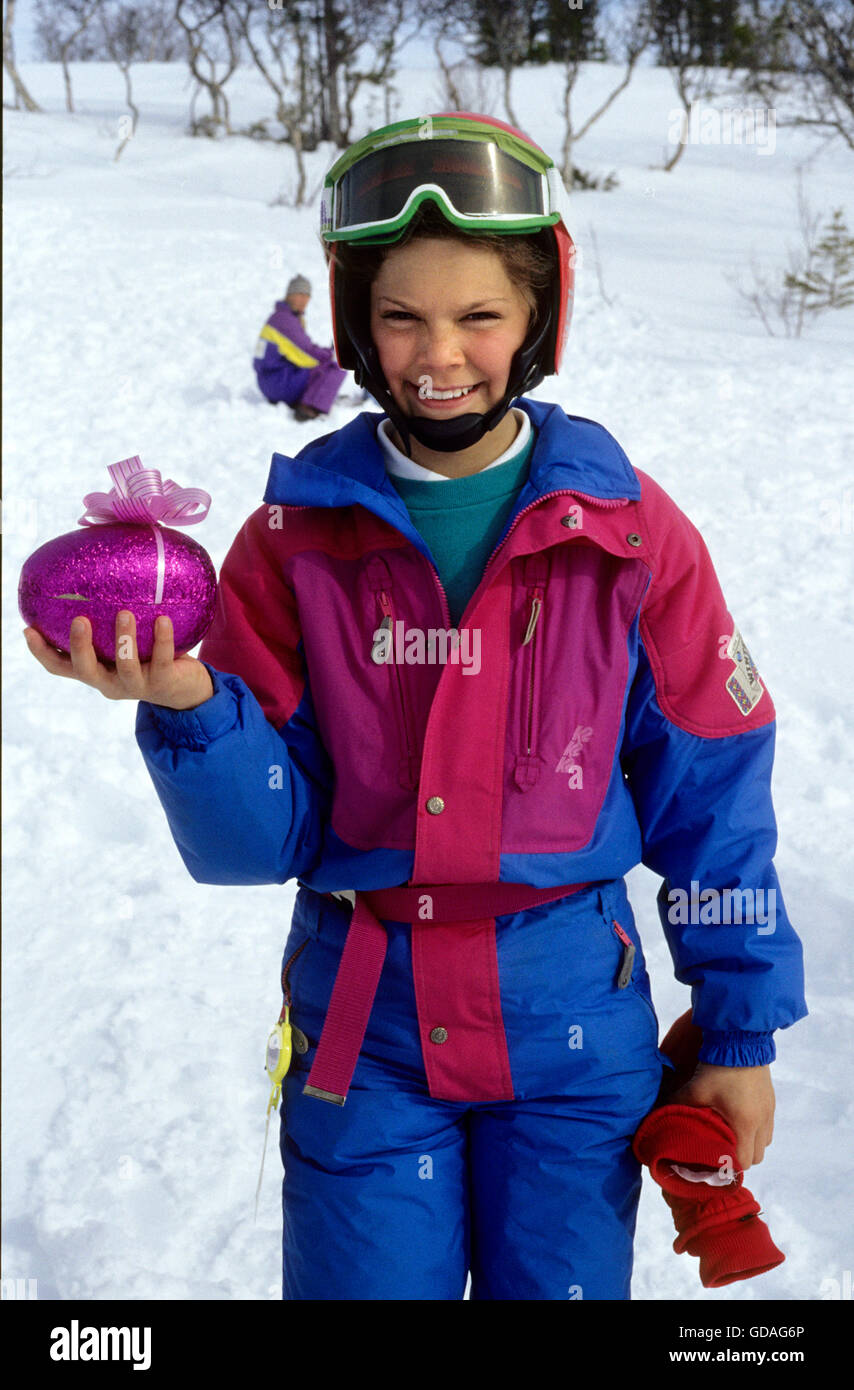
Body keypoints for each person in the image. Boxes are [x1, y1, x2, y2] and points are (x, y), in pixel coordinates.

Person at [24, 112, 806, 1301]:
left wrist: (738, 1031)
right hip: (366, 1044)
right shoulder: (291, 543)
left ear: (538, 316)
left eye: (478, 315)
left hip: (573, 1048)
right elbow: (259, 844)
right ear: (355, 323)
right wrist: (189, 702)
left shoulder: (628, 535)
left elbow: (713, 792)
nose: (439, 351)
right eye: (400, 316)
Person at [253, 273, 347, 419]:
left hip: (271, 380)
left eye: (307, 295)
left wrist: (326, 352)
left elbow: (301, 349)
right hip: (276, 383)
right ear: (289, 295)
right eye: (300, 294)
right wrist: (330, 355)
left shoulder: (282, 317)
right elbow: (305, 354)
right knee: (334, 368)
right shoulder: (285, 321)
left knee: (325, 364)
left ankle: (311, 398)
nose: (304, 299)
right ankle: (309, 407)